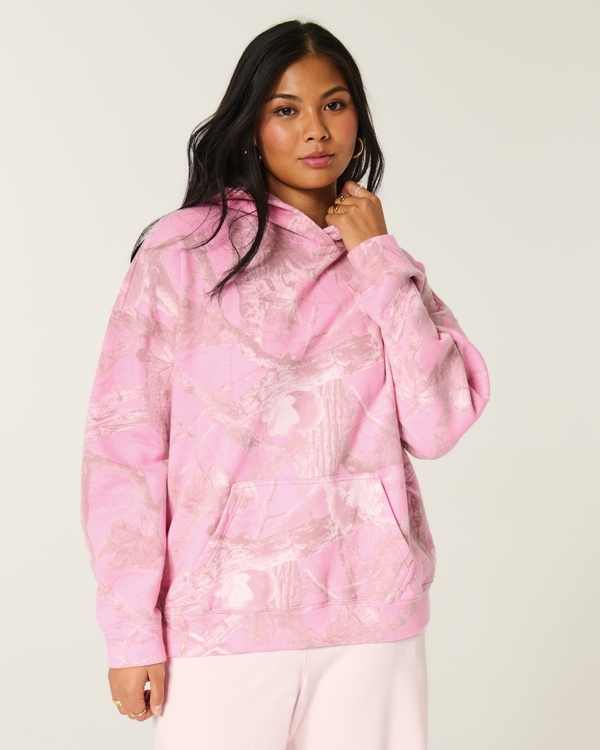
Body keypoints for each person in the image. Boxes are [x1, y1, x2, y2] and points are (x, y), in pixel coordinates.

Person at [81, 19, 490, 750]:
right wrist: (130, 630)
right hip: (221, 625)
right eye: (286, 109)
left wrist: (376, 256)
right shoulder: (182, 253)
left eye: (334, 104)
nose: (315, 130)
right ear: (251, 123)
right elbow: (124, 451)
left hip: (372, 623)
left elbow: (437, 423)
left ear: (358, 118)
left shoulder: (379, 262)